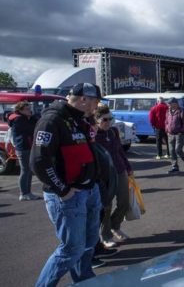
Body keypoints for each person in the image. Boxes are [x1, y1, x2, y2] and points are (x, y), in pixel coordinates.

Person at [32, 83, 103, 286]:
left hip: (88, 191)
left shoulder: (79, 119)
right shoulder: (53, 119)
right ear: (83, 99)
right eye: (95, 101)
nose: (97, 106)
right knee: (72, 248)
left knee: (88, 244)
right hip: (69, 196)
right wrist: (62, 190)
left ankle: (83, 281)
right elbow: (39, 160)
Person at [94, 105, 132, 249]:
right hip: (104, 175)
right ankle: (105, 236)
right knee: (106, 207)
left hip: (120, 169)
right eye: (105, 119)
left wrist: (128, 168)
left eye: (111, 118)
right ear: (97, 120)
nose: (108, 122)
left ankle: (114, 226)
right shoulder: (94, 135)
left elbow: (120, 151)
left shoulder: (114, 131)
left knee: (124, 202)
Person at [8, 101, 41, 201]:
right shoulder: (18, 119)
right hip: (23, 147)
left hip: (27, 146)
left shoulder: (24, 118)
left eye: (30, 108)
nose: (29, 110)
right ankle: (24, 193)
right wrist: (33, 119)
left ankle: (28, 192)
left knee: (28, 170)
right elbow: (31, 129)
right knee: (25, 170)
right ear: (20, 110)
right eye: (27, 109)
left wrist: (33, 118)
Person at [164, 98, 184, 173]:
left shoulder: (181, 111)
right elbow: (166, 122)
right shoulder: (168, 111)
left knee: (177, 150)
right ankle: (174, 166)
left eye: (169, 103)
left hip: (179, 134)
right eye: (168, 104)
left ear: (175, 103)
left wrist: (181, 131)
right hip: (170, 134)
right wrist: (167, 130)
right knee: (171, 151)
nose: (168, 105)